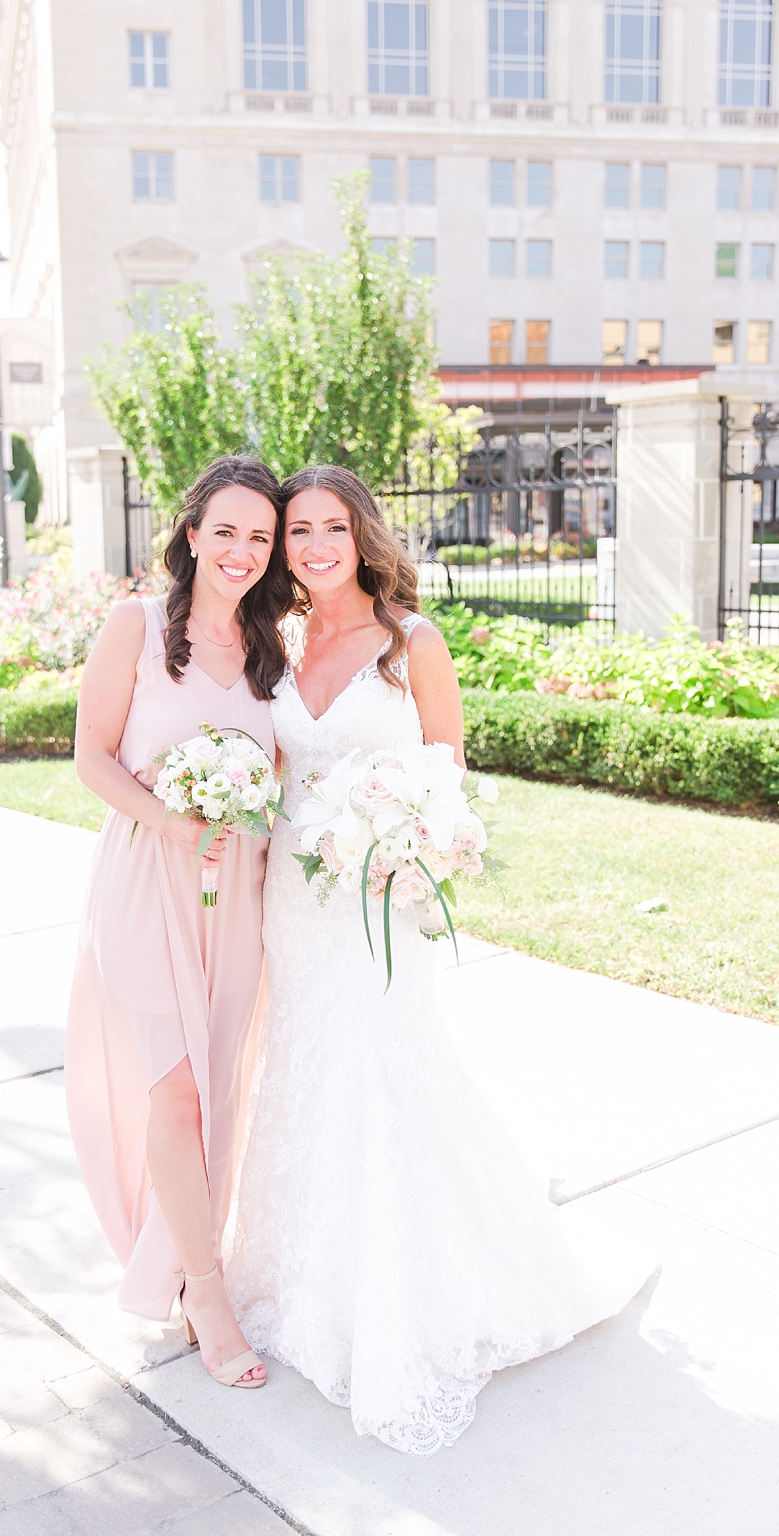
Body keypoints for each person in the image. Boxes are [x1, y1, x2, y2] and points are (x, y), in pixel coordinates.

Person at [226, 464, 628, 1453]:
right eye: (295, 534)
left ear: (360, 533)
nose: (311, 547)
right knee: (304, 1067)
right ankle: (307, 1282)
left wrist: (394, 831)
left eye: (328, 526)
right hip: (292, 896)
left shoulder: (411, 643)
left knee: (385, 1071)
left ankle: (409, 1304)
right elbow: (275, 766)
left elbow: (445, 766)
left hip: (372, 895)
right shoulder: (274, 641)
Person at [63, 455, 292, 1390]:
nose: (242, 552)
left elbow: (287, 769)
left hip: (237, 892)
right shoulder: (136, 626)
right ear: (192, 533)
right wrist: (171, 816)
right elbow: (91, 758)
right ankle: (205, 1292)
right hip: (146, 878)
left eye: (261, 538)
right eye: (227, 531)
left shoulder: (274, 648)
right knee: (178, 1093)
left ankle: (194, 1261)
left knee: (223, 1089)